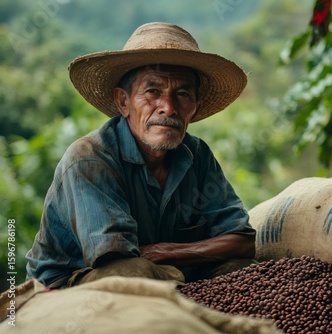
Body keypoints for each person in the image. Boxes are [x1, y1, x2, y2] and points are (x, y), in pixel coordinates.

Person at [25, 22, 256, 288]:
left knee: (243, 272)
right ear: (124, 102)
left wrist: (164, 251)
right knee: (136, 274)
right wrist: (186, 257)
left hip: (165, 271)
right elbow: (117, 260)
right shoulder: (90, 158)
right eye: (152, 92)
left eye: (182, 94)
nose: (168, 108)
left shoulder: (198, 155)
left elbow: (242, 241)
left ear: (195, 107)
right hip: (72, 281)